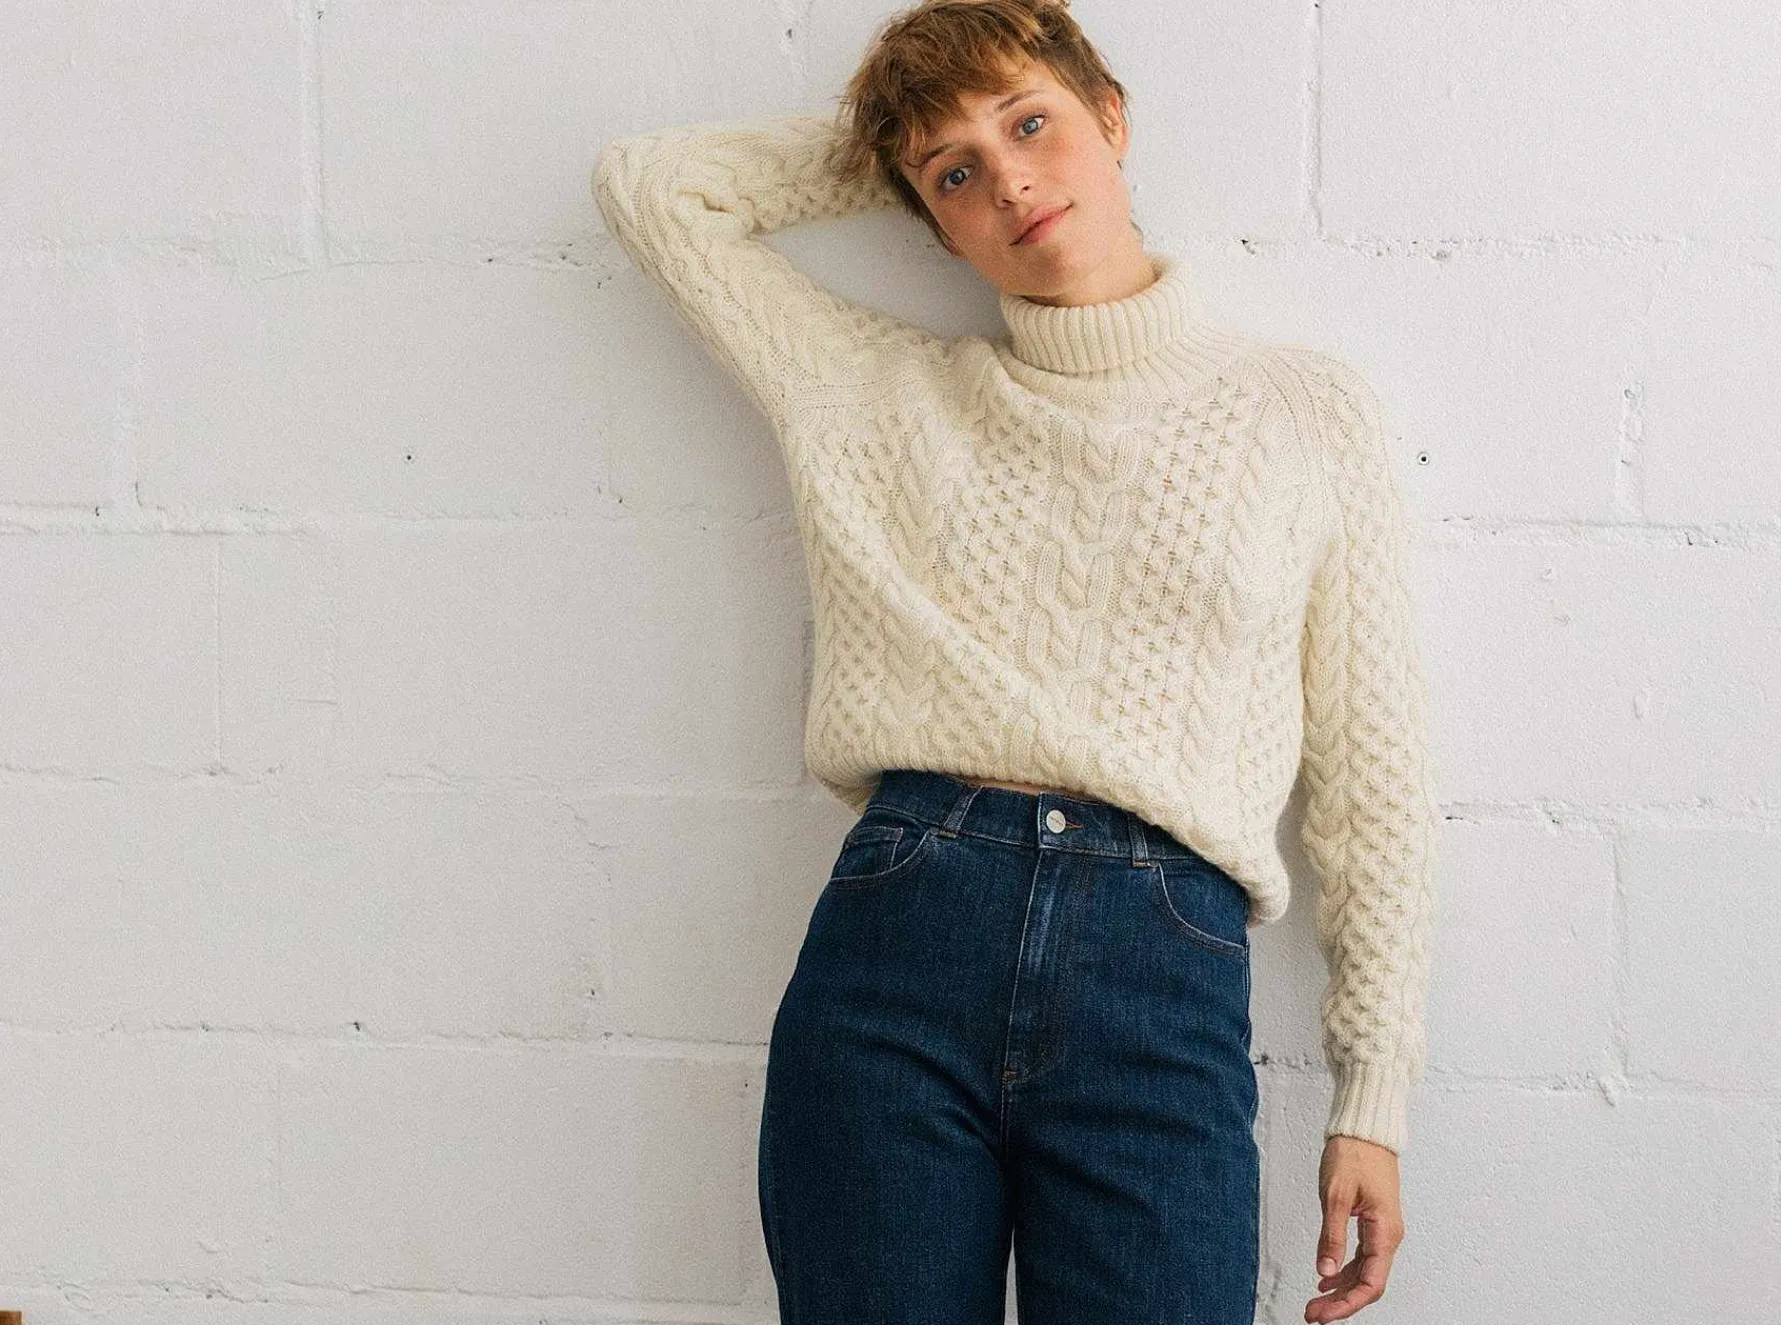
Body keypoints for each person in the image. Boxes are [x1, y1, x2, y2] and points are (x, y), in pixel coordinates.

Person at [590, 1, 1439, 1320]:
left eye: (1033, 125)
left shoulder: (1304, 413)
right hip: (900, 952)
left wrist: (1371, 1093)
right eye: (957, 176)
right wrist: (893, 144)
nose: (1010, 182)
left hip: (1162, 974)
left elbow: (1372, 778)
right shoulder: (873, 389)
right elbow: (650, 190)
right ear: (931, 224)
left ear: (1113, 118)